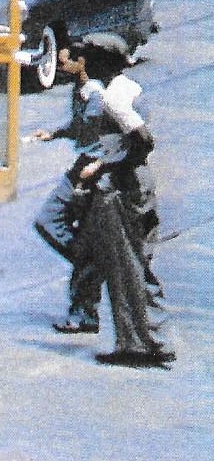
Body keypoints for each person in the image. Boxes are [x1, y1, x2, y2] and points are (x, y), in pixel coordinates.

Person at [31, 35, 166, 360]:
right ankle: (145, 342)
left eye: (88, 58)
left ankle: (142, 345)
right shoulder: (127, 87)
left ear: (100, 62)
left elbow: (144, 140)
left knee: (128, 265)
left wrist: (105, 164)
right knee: (133, 263)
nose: (83, 63)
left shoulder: (113, 97)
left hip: (123, 185)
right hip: (129, 181)